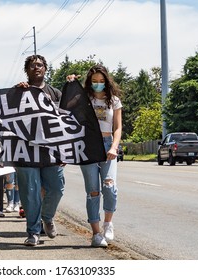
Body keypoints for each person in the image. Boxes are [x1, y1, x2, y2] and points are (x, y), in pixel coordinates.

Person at [67, 65, 122, 247]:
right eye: (95, 81)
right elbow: (66, 109)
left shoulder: (114, 101)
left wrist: (114, 147)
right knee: (92, 191)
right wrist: (70, 84)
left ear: (106, 81)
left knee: (109, 186)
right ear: (90, 82)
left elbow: (118, 127)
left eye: (101, 81)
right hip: (88, 146)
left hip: (107, 146)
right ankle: (96, 234)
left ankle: (108, 222)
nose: (98, 84)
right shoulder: (84, 99)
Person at [16, 54, 65, 246]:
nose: (36, 68)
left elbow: (65, 123)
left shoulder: (56, 94)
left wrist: (65, 149)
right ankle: (33, 232)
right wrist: (16, 93)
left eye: (40, 65)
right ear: (27, 70)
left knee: (57, 188)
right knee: (30, 192)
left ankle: (47, 217)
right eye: (32, 65)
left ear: (45, 69)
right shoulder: (18, 92)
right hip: (25, 150)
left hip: (51, 150)